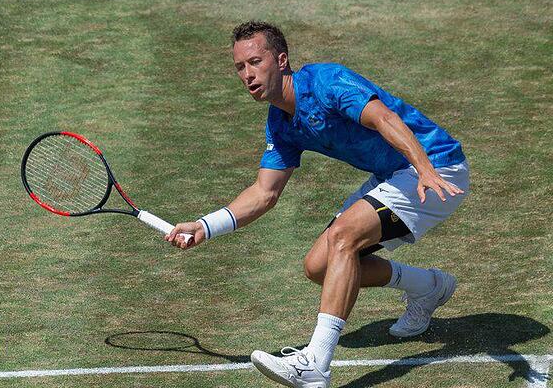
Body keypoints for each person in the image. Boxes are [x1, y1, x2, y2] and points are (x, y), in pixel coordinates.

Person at [165, 20, 469, 388]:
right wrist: (205, 225)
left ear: (281, 60)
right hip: (393, 174)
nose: (247, 74)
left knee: (344, 236)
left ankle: (316, 363)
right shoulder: (280, 123)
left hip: (434, 167)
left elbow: (384, 118)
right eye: (240, 67)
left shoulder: (326, 82)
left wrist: (424, 168)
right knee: (318, 267)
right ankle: (428, 286)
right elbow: (265, 193)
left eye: (255, 62)